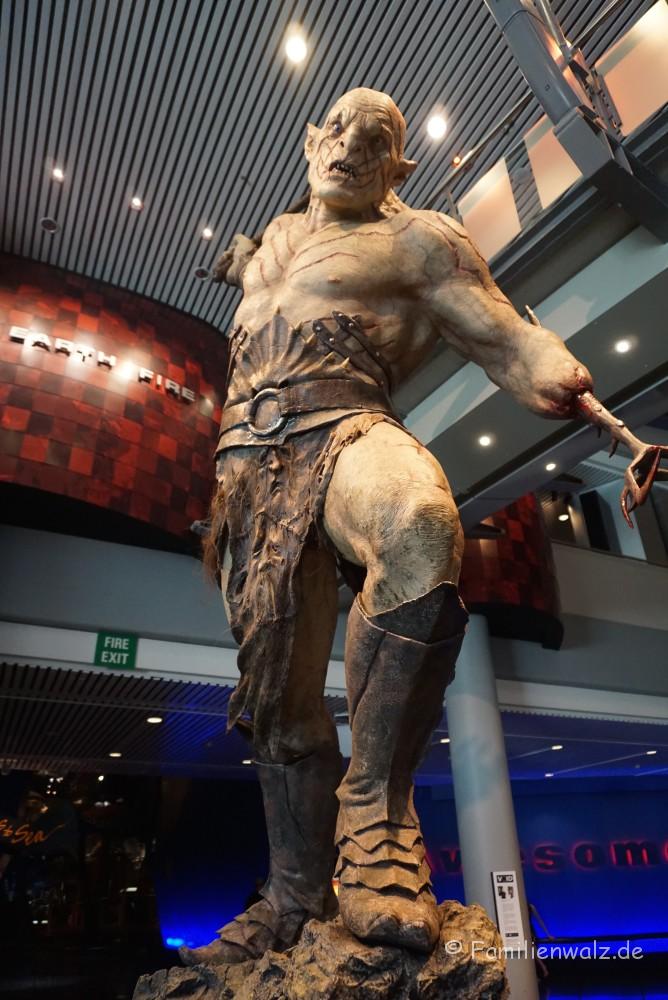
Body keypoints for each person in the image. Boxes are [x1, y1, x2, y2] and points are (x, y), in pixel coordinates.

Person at [181, 88, 664, 967]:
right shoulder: (276, 240)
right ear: (310, 142)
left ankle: (374, 815)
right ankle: (292, 897)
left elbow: (508, 338)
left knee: (420, 521)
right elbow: (259, 282)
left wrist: (591, 402)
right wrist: (241, 260)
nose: (348, 149)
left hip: (345, 424)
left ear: (395, 169)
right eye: (336, 131)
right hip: (244, 471)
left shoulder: (418, 240)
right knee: (279, 707)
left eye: (374, 143)